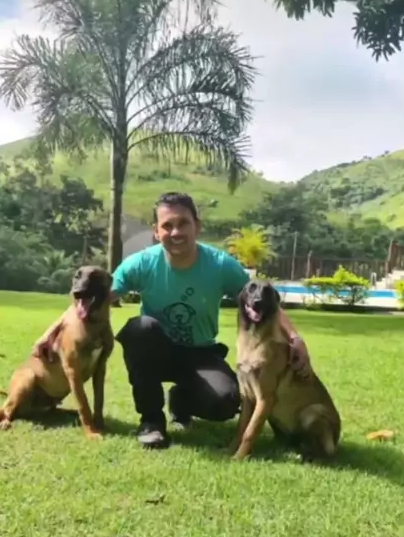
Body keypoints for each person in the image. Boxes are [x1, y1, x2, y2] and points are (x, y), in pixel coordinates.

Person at [33, 192, 310, 450]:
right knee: (140, 329)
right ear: (156, 231)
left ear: (197, 226)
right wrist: (51, 332)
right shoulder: (141, 263)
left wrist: (295, 339)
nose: (175, 232)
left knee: (226, 402)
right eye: (167, 226)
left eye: (183, 223)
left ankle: (181, 401)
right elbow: (90, 301)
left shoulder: (220, 265)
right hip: (156, 351)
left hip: (201, 353)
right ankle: (151, 421)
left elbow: (266, 302)